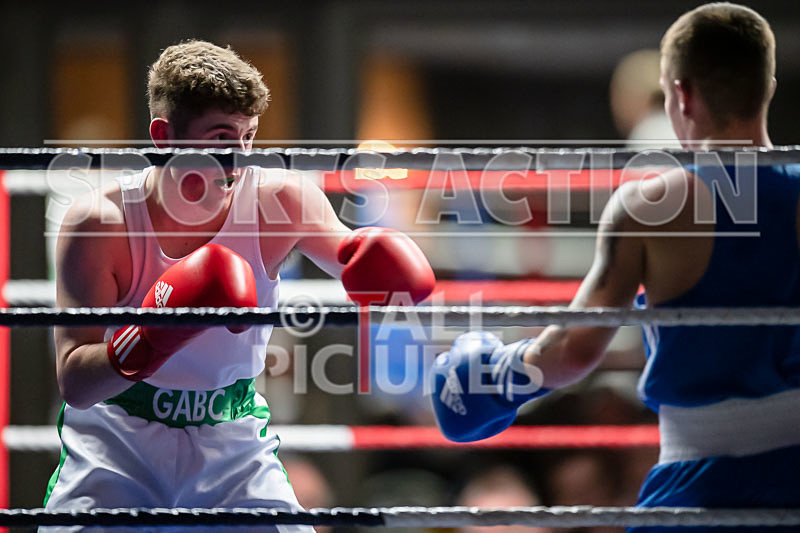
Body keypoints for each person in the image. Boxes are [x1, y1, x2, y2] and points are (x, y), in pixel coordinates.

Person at [431, 3, 800, 531]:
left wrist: (496, 376)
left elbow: (575, 350)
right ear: (768, 87)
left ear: (680, 94)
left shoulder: (652, 206)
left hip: (701, 486)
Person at [47, 40, 435, 531]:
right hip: (118, 441)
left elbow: (356, 261)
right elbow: (76, 383)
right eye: (221, 136)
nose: (239, 158)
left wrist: (373, 264)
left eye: (249, 136)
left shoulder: (282, 203)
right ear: (165, 137)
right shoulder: (102, 224)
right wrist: (151, 337)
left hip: (230, 439)